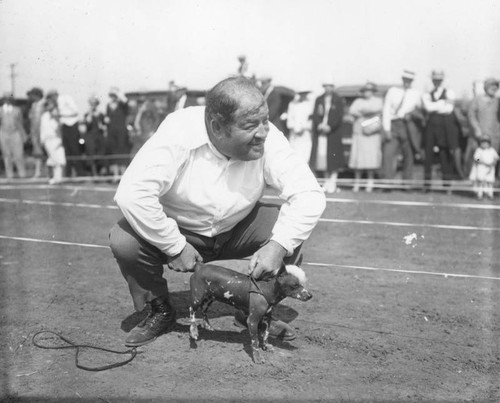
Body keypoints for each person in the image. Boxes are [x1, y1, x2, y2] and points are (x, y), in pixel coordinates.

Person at [109, 77, 326, 347]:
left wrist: (279, 245)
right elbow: (132, 193)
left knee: (287, 229)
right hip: (180, 230)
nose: (262, 132)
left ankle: (252, 306)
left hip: (237, 228)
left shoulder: (269, 137)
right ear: (216, 126)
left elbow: (309, 193)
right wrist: (174, 245)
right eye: (250, 125)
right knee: (124, 240)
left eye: (265, 120)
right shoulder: (178, 132)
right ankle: (159, 310)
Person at [422, 70, 464, 188]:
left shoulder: (449, 92)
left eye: (439, 80)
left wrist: (436, 105)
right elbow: (428, 108)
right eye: (435, 80)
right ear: (432, 80)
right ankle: (427, 184)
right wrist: (442, 103)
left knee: (444, 152)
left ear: (442, 80)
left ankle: (447, 183)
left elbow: (449, 109)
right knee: (428, 153)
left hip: (445, 125)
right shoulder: (427, 93)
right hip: (431, 125)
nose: (437, 82)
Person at [381, 70, 423, 184]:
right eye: (405, 80)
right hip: (394, 124)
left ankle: (407, 183)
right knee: (388, 153)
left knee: (408, 155)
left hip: (408, 126)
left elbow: (421, 111)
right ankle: (387, 182)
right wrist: (387, 129)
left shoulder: (417, 93)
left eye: (409, 80)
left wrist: (413, 114)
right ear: (402, 79)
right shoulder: (393, 91)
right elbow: (386, 110)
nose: (407, 82)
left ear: (412, 81)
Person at [310, 78, 345, 193]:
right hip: (321, 132)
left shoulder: (338, 100)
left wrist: (330, 126)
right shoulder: (319, 99)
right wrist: (319, 124)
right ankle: (326, 181)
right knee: (323, 156)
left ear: (333, 87)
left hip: (333, 132)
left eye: (330, 86)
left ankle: (333, 181)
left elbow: (339, 116)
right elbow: (315, 114)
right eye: (325, 86)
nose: (327, 88)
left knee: (333, 157)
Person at [347, 82, 383, 192]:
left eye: (369, 90)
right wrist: (365, 112)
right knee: (359, 158)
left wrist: (364, 111)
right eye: (365, 90)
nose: (367, 93)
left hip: (372, 132)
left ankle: (370, 183)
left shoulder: (378, 101)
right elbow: (352, 111)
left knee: (371, 158)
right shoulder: (358, 101)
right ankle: (357, 183)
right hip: (360, 132)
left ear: (373, 91)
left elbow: (376, 109)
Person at [467, 78, 500, 178]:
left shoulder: (497, 101)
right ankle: (477, 186)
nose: (494, 88)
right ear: (486, 87)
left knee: (493, 159)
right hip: (480, 136)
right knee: (478, 158)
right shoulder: (477, 99)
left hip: (495, 136)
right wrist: (476, 129)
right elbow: (471, 115)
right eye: (491, 86)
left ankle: (492, 184)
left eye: (496, 86)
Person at [46, 89, 83, 177]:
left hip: (72, 126)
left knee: (75, 150)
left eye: (50, 97)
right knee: (67, 151)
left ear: (54, 95)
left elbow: (75, 111)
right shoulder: (57, 104)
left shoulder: (66, 98)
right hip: (64, 127)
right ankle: (68, 174)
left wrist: (61, 115)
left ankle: (80, 173)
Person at [105, 87, 130, 181]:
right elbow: (107, 117)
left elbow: (126, 102)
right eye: (111, 95)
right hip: (112, 132)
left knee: (122, 152)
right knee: (114, 152)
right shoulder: (108, 106)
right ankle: (116, 175)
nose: (113, 97)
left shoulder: (122, 104)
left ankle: (123, 175)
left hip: (121, 132)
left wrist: (119, 93)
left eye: (114, 95)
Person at [0, 92, 27, 179]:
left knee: (18, 154)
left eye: (9, 98)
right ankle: (9, 175)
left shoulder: (17, 109)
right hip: (3, 133)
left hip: (15, 133)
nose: (8, 100)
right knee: (6, 155)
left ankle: (22, 174)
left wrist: (23, 135)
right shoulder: (0, 110)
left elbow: (20, 123)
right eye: (6, 98)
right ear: (3, 99)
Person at [40, 98, 66, 184]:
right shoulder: (44, 116)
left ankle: (58, 178)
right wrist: (43, 140)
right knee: (52, 159)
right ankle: (53, 177)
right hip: (48, 140)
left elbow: (59, 129)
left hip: (56, 139)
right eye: (47, 105)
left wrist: (60, 140)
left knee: (59, 159)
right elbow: (43, 129)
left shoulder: (57, 115)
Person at [286, 88, 313, 162]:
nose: (303, 95)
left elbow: (311, 121)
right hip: (295, 136)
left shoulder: (311, 104)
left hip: (306, 136)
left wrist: (304, 128)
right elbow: (289, 121)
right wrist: (296, 128)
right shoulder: (292, 104)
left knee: (305, 158)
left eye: (305, 93)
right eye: (301, 93)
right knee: (294, 158)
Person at [469, 135, 499, 199]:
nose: (484, 144)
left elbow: (496, 158)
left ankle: (490, 194)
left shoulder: (492, 150)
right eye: (483, 142)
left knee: (490, 182)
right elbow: (476, 158)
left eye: (486, 142)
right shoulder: (479, 150)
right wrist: (482, 162)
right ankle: (480, 194)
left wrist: (493, 163)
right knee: (481, 182)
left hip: (490, 169)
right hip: (481, 169)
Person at [83, 96, 106, 177]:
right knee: (91, 153)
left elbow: (104, 125)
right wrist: (90, 115)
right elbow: (87, 125)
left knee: (100, 153)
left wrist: (102, 126)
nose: (93, 106)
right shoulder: (87, 114)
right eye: (92, 104)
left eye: (95, 104)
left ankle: (100, 172)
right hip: (90, 136)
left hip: (99, 136)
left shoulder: (101, 114)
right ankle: (94, 173)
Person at [27, 87, 46, 178]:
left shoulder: (45, 104)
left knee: (47, 150)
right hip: (35, 132)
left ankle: (50, 172)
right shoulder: (33, 105)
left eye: (32, 95)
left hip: (44, 131)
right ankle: (38, 172)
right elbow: (32, 120)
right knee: (37, 152)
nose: (30, 97)